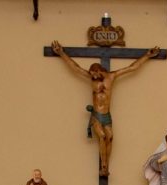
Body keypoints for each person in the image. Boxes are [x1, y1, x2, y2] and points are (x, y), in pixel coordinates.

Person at [50, 40, 160, 177]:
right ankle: (103, 166)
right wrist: (61, 53)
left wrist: (147, 56)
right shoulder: (91, 77)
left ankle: (106, 165)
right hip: (96, 115)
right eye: (91, 74)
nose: (92, 76)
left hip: (106, 115)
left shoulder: (112, 76)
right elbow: (76, 68)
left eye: (94, 74)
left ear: (99, 70)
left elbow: (131, 68)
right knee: (102, 136)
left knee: (111, 137)